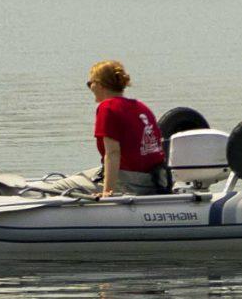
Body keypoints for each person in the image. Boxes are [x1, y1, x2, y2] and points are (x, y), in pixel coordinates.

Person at [50, 60, 165, 198]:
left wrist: (107, 191)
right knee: (83, 175)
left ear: (99, 85)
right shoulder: (141, 107)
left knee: (56, 188)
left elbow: (113, 153)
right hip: (153, 178)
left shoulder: (108, 108)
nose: (90, 87)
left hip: (128, 181)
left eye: (90, 83)